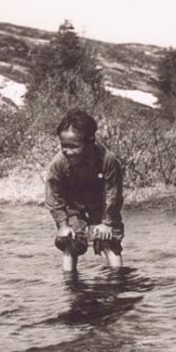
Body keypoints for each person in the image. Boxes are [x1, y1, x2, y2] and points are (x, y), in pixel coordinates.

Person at [45, 109, 124, 272]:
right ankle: (70, 282)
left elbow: (113, 193)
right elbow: (53, 195)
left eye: (74, 146)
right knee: (69, 241)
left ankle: (118, 280)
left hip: (101, 204)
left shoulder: (107, 159)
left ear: (90, 141)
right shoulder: (59, 162)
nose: (68, 151)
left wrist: (107, 223)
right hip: (74, 204)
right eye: (63, 146)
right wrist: (62, 224)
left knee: (109, 240)